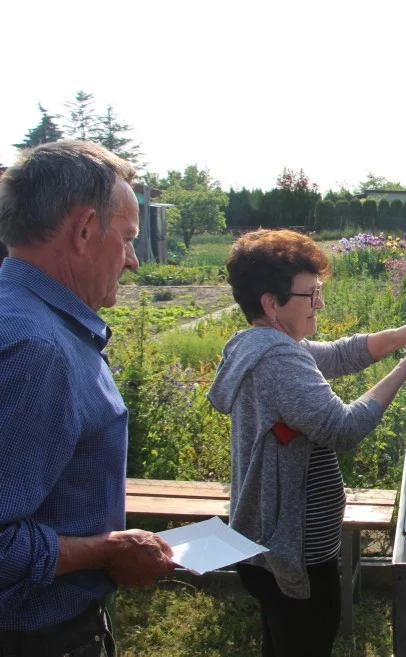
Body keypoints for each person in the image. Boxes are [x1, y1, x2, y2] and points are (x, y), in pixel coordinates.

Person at [207, 228, 406, 657]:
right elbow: (342, 428)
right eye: (311, 294)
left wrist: (404, 335)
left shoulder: (259, 343)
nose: (320, 303)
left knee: (281, 642)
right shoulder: (278, 358)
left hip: (266, 539)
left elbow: (341, 354)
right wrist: (404, 371)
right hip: (294, 550)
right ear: (272, 304)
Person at [0, 141, 175, 656]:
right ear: (82, 231)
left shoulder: (26, 318)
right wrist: (106, 552)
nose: (135, 262)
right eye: (125, 239)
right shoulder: (37, 349)